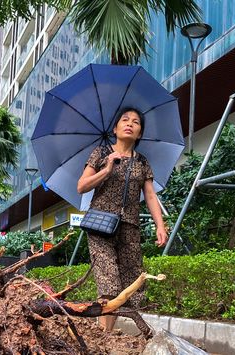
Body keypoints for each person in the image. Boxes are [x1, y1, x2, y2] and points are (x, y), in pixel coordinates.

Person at [77, 107, 168, 331]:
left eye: (136, 122)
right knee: (109, 281)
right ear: (115, 128)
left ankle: (103, 333)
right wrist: (107, 169)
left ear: (139, 133)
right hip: (100, 224)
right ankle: (105, 336)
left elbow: (149, 195)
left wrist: (160, 225)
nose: (130, 124)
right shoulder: (101, 153)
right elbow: (82, 186)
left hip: (129, 227)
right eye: (125, 120)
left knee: (129, 283)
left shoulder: (142, 162)